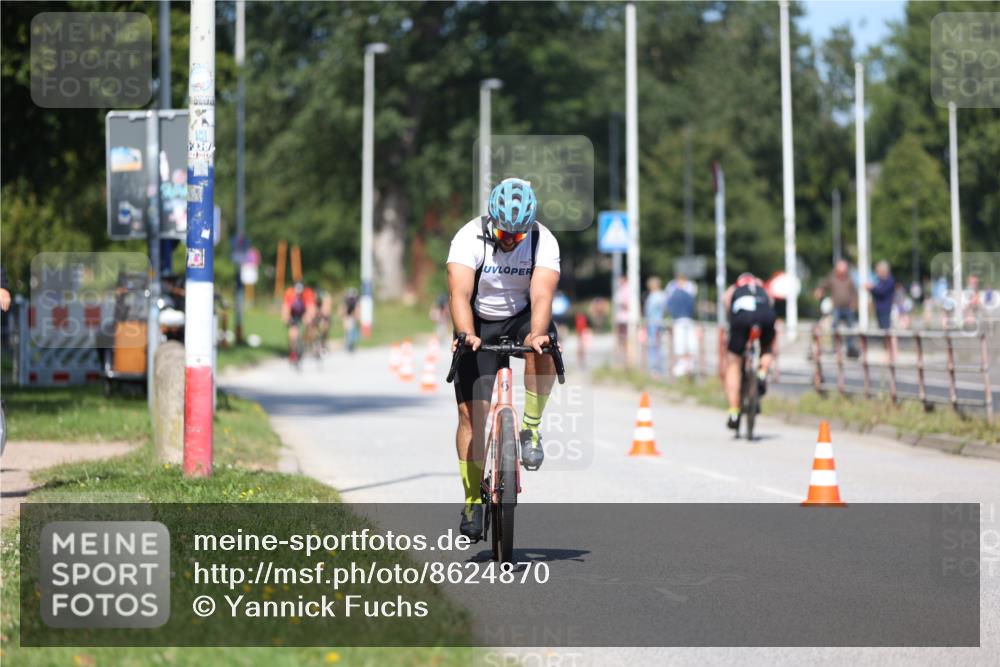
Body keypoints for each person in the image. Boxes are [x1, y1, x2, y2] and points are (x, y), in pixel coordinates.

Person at [446, 178, 560, 539]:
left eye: (518, 235)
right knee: (471, 417)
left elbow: (541, 296)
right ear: (491, 219)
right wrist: (467, 334)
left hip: (522, 315)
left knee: (545, 347)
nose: (511, 240)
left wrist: (538, 335)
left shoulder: (543, 240)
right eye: (504, 232)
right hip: (478, 319)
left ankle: (530, 427)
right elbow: (459, 294)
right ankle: (472, 501)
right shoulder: (468, 237)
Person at [723, 273, 777, 431]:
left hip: (742, 318)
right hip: (765, 315)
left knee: (733, 363)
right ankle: (762, 372)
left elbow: (727, 305)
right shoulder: (762, 288)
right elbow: (771, 304)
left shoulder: (734, 289)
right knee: (766, 347)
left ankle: (733, 412)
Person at [814, 259, 858, 357]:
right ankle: (836, 348)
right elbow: (823, 285)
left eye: (844, 269)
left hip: (848, 308)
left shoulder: (849, 279)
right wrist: (819, 290)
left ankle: (850, 348)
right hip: (836, 308)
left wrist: (854, 304)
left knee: (850, 329)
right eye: (841, 269)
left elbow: (854, 292)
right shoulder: (832, 278)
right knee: (835, 328)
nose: (843, 271)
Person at [665, 273, 698, 377]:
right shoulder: (687, 292)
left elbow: (669, 307)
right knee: (684, 344)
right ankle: (686, 366)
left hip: (682, 320)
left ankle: (686, 367)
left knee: (685, 344)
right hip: (683, 319)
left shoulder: (677, 292)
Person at [281, 282, 316, 362]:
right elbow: (285, 308)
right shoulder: (289, 293)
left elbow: (311, 308)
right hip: (294, 313)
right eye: (297, 293)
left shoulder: (308, 293)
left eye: (300, 293)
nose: (299, 294)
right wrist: (286, 318)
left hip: (304, 312)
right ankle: (293, 351)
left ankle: (308, 342)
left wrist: (310, 318)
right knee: (293, 333)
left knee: (310, 325)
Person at [643, 277, 667, 376]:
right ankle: (657, 368)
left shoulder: (656, 296)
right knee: (656, 346)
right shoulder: (660, 295)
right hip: (655, 324)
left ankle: (656, 369)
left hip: (655, 324)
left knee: (655, 346)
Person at [868, 260, 896, 330]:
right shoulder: (880, 281)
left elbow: (881, 292)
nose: (877, 273)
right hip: (879, 309)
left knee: (886, 330)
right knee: (881, 330)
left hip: (885, 309)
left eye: (878, 271)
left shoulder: (890, 281)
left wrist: (871, 288)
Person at [341, 287, 360, 352]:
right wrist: (345, 317)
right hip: (348, 315)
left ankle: (351, 343)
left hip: (352, 315)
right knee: (347, 329)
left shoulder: (355, 300)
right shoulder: (346, 300)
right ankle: (347, 343)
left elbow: (357, 309)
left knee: (351, 329)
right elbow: (344, 309)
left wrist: (356, 317)